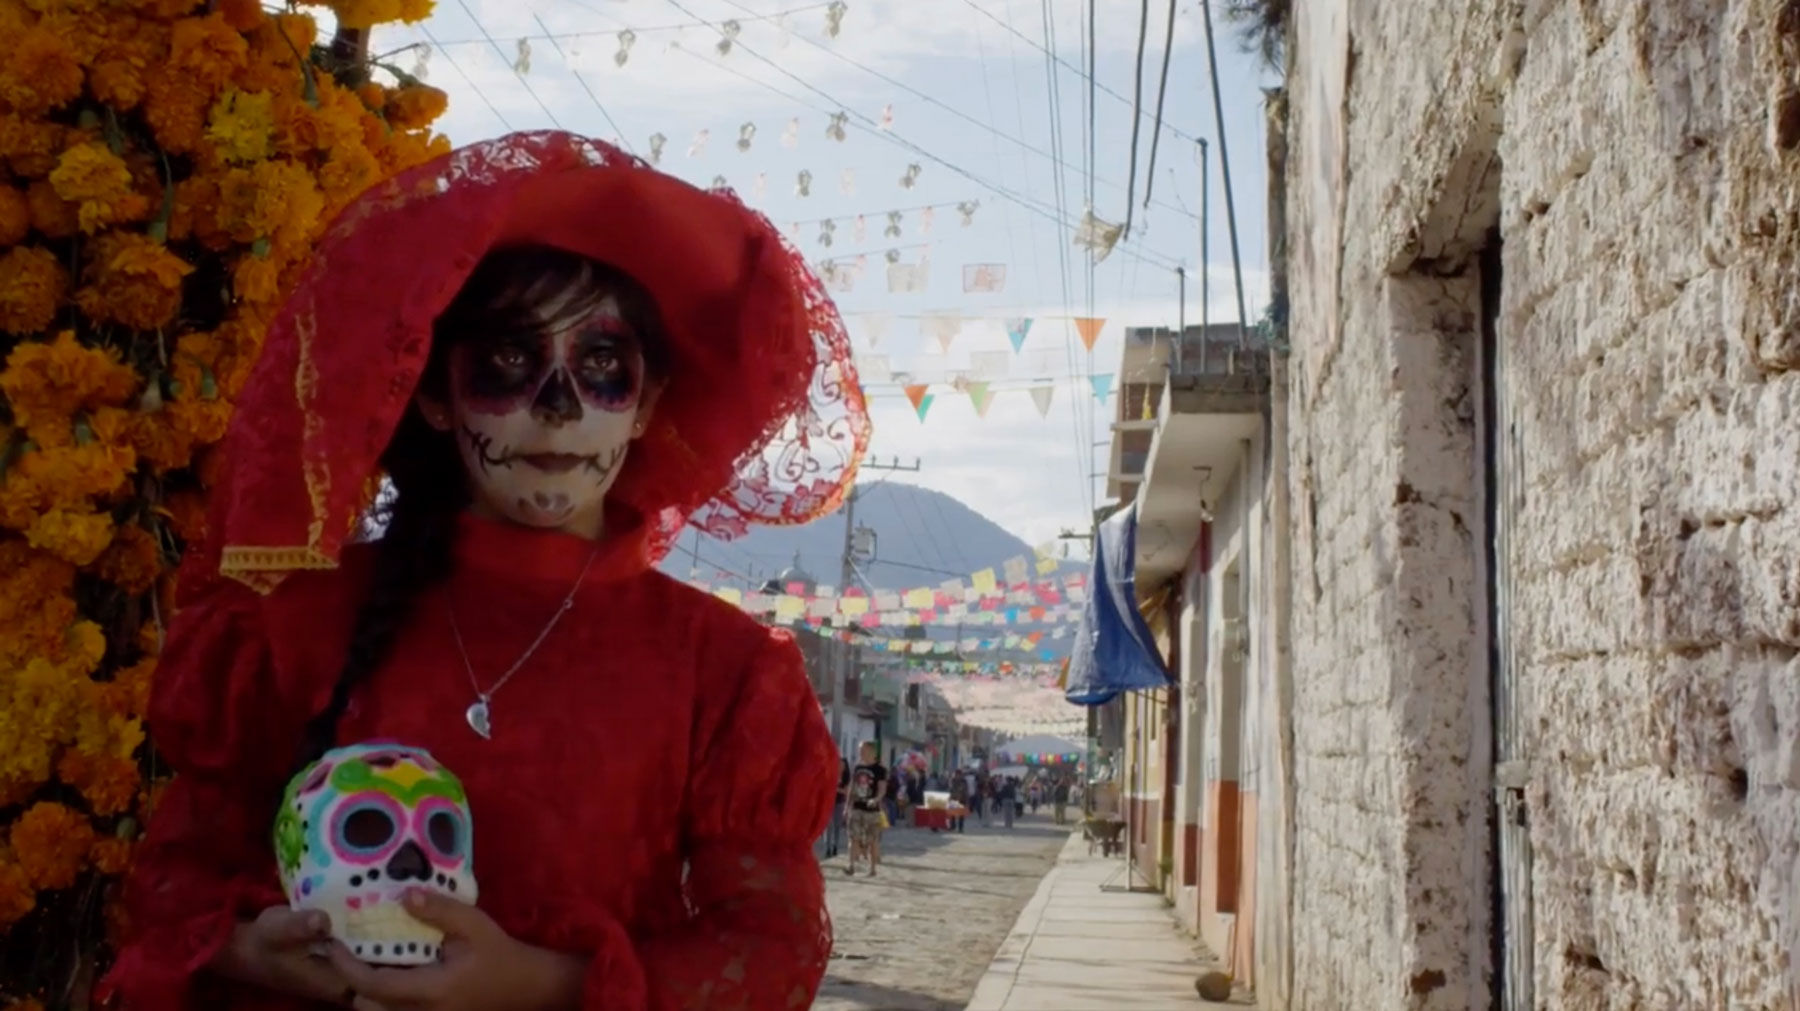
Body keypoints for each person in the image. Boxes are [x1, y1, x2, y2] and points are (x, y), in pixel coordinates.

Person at [100, 132, 869, 1011]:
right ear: (435, 394)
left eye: (602, 367)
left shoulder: (727, 674)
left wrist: (541, 983)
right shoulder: (296, 621)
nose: (556, 407)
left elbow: (770, 947)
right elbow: (173, 879)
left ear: (648, 402)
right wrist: (254, 948)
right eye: (509, 360)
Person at [846, 742, 889, 876]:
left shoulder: (880, 770)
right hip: (857, 807)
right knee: (854, 837)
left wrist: (876, 799)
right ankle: (851, 865)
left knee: (872, 840)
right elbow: (852, 788)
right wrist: (847, 806)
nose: (860, 753)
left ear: (872, 752)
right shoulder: (857, 767)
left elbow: (882, 789)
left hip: (872, 811)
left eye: (862, 750)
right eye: (860, 751)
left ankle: (872, 869)